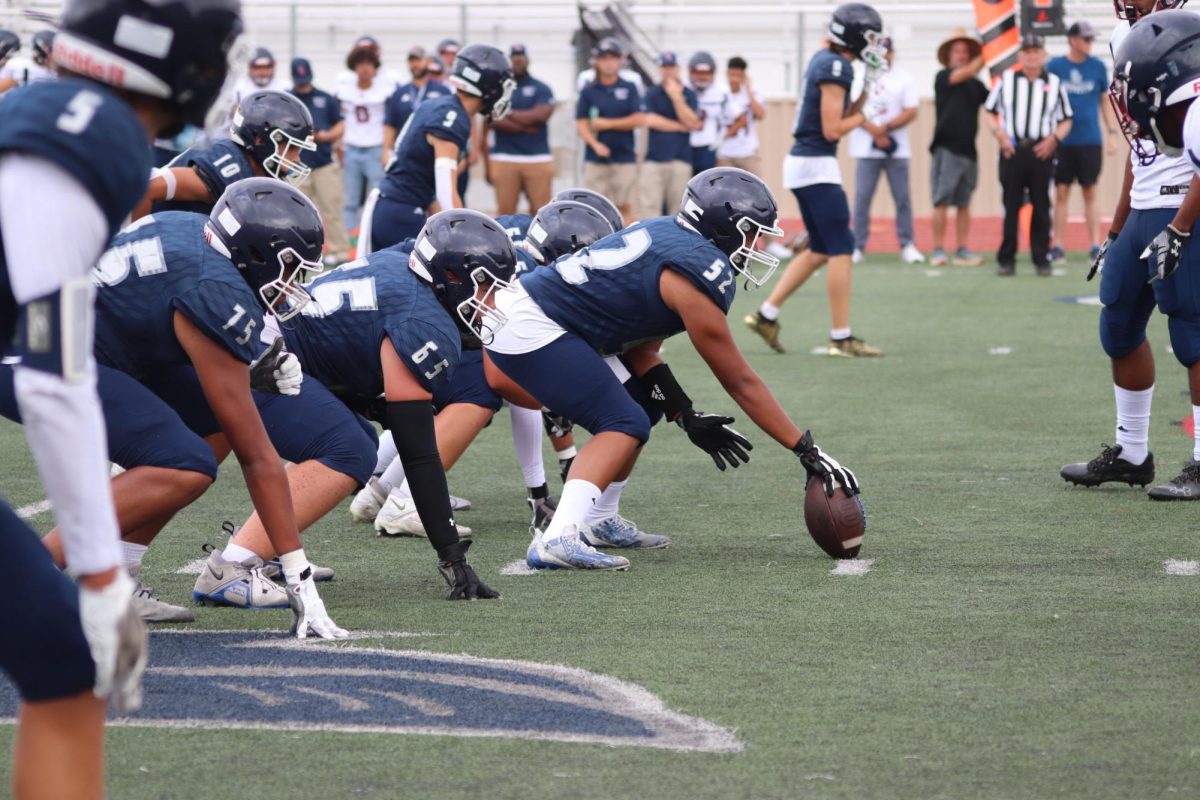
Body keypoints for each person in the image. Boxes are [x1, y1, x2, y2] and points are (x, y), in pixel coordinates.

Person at [0, 0, 243, 796]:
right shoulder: (95, 131)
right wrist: (102, 574)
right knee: (70, 662)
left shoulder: (33, 103)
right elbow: (51, 367)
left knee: (60, 660)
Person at [482, 167, 860, 571]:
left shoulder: (669, 234)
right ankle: (559, 537)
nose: (758, 244)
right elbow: (739, 379)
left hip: (537, 318)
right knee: (623, 422)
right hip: (533, 324)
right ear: (723, 227)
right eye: (752, 232)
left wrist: (684, 412)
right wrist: (804, 448)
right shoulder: (697, 271)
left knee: (644, 407)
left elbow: (642, 350)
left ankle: (598, 519)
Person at [1061, 2, 1200, 501]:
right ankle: (1132, 453)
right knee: (1118, 324)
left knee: (1192, 329)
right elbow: (1141, 144)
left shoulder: (1191, 31)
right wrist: (1116, 229)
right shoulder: (1125, 35)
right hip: (1143, 202)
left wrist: (1182, 227)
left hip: (1185, 201)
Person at [744, 2, 887, 357]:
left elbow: (840, 115)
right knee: (842, 248)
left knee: (821, 249)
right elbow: (833, 128)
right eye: (869, 37)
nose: (874, 44)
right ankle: (841, 337)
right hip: (816, 165)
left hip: (808, 163)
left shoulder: (830, 61)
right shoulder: (835, 65)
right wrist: (868, 112)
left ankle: (766, 314)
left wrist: (867, 91)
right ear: (852, 35)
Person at [371, 44, 514, 250]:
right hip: (403, 212)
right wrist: (469, 237)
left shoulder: (440, 105)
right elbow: (446, 192)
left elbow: (429, 189)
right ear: (489, 85)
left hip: (393, 207)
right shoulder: (453, 116)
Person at [133, 89, 315, 218]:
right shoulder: (229, 166)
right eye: (291, 148)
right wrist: (134, 245)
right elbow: (146, 189)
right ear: (260, 139)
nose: (296, 158)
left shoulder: (256, 170)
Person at [985, 34, 1073, 276]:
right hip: (1013, 150)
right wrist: (1000, 135)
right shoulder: (1007, 80)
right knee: (1011, 205)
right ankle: (1006, 259)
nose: (1032, 56)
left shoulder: (1054, 83)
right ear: (1020, 55)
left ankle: (1041, 258)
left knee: (1042, 205)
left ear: (1043, 55)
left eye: (1036, 51)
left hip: (1041, 151)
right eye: (1027, 51)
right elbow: (989, 111)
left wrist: (1054, 140)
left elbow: (1066, 119)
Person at [1047, 20, 1117, 263]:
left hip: (1089, 139)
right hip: (1062, 141)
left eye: (1091, 39)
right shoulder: (1055, 66)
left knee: (1090, 191)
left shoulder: (1097, 67)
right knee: (1061, 191)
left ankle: (1095, 244)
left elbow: (1104, 101)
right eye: (1085, 39)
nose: (1089, 43)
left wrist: (1111, 133)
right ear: (1072, 40)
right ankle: (1057, 245)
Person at [848, 37, 923, 264]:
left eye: (887, 51)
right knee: (862, 198)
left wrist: (886, 128)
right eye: (879, 52)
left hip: (896, 149)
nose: (884, 56)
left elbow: (911, 110)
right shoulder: (859, 76)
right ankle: (858, 245)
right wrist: (873, 130)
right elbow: (851, 109)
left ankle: (907, 244)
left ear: (893, 53)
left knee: (902, 198)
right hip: (865, 148)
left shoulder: (904, 78)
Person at [929, 28, 988, 267]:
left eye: (965, 51)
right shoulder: (943, 77)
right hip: (946, 149)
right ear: (949, 55)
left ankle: (962, 249)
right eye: (957, 51)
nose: (962, 55)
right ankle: (938, 250)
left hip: (969, 150)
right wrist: (990, 50)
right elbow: (967, 72)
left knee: (964, 202)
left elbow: (994, 101)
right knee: (941, 200)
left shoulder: (976, 84)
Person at [290, 58, 351, 265]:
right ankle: (301, 251)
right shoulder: (288, 100)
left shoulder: (325, 98)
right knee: (297, 213)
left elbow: (341, 124)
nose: (302, 83)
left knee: (331, 208)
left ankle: (341, 251)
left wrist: (326, 136)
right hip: (296, 165)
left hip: (324, 162)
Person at [576, 38, 644, 225]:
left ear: (620, 61)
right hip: (595, 161)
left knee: (626, 209)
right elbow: (581, 123)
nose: (608, 62)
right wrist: (595, 144)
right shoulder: (589, 90)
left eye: (613, 58)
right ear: (596, 61)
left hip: (624, 158)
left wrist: (607, 124)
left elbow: (638, 119)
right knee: (593, 210)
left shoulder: (629, 87)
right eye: (604, 58)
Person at [485, 44, 556, 215]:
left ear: (527, 60)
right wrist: (527, 125)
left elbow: (540, 116)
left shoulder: (542, 88)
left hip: (537, 159)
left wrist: (507, 112)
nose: (517, 62)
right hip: (505, 158)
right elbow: (493, 119)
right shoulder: (498, 89)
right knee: (505, 214)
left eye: (521, 58)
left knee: (542, 214)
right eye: (514, 59)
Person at [638, 51, 700, 220]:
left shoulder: (688, 94)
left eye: (671, 67)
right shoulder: (652, 93)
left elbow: (693, 123)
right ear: (659, 69)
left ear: (678, 68)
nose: (668, 71)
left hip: (680, 159)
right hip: (654, 160)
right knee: (649, 210)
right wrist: (681, 126)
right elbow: (650, 120)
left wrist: (676, 98)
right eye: (664, 67)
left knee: (678, 212)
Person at [337, 43, 391, 233]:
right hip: (352, 148)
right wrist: (339, 148)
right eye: (360, 63)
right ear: (353, 66)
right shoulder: (344, 89)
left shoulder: (385, 89)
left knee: (376, 198)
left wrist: (386, 149)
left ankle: (373, 237)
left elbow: (389, 124)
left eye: (369, 63)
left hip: (374, 149)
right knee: (350, 199)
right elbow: (340, 119)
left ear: (375, 66)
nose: (364, 68)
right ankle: (351, 241)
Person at [381, 46, 451, 158]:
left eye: (418, 60)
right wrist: (385, 151)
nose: (415, 64)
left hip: (433, 153)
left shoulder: (442, 92)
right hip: (403, 153)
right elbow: (390, 124)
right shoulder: (399, 93)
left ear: (428, 61)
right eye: (411, 61)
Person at [717, 56, 765, 176]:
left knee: (754, 189)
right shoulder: (721, 93)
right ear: (727, 74)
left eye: (739, 76)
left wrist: (747, 90)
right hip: (725, 152)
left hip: (747, 152)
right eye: (733, 75)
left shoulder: (753, 93)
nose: (735, 79)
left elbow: (760, 115)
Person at [686, 51, 728, 175]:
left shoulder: (721, 93)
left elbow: (736, 118)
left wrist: (721, 140)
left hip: (709, 148)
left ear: (713, 73)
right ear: (690, 72)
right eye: (698, 73)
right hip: (685, 147)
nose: (702, 77)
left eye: (706, 73)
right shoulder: (682, 90)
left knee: (707, 188)